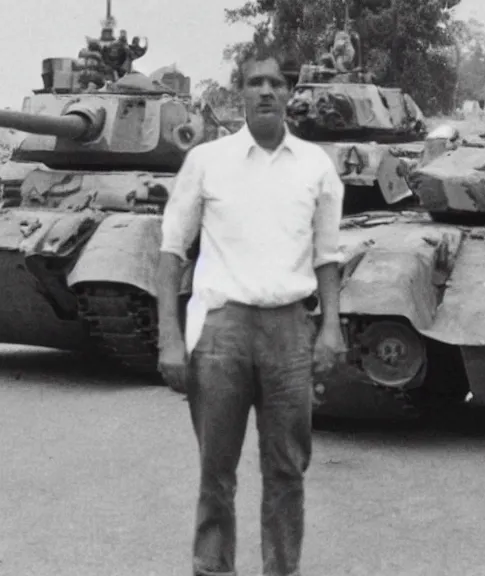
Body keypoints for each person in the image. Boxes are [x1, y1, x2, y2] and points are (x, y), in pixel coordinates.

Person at [155, 45, 348, 576]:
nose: (266, 90)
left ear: (289, 93)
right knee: (216, 474)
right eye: (254, 82)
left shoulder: (315, 166)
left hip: (289, 330)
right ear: (238, 92)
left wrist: (330, 326)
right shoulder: (206, 162)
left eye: (276, 82)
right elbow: (172, 251)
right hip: (222, 332)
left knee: (287, 472)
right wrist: (170, 339)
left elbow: (328, 255)